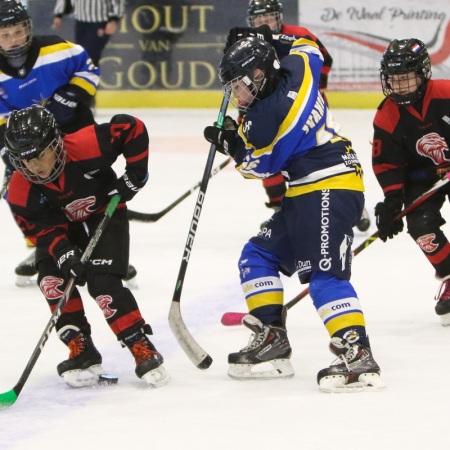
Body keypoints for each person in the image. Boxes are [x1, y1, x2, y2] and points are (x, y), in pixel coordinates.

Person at [204, 31, 385, 392]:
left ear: (259, 75)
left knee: (324, 275)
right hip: (310, 189)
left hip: (329, 185)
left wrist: (231, 143)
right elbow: (308, 46)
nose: (236, 96)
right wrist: (267, 36)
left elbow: (260, 165)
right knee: (257, 255)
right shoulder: (298, 67)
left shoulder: (268, 117)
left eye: (240, 87)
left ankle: (357, 352)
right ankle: (272, 339)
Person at [4, 104, 169, 388]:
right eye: (25, 161)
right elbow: (41, 230)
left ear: (55, 142)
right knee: (51, 281)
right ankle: (81, 348)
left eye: (40, 155)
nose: (35, 167)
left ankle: (140, 345)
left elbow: (132, 128)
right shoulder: (19, 191)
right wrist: (63, 251)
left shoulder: (84, 144)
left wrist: (135, 174)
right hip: (63, 230)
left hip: (102, 215)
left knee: (103, 283)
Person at [0, 0, 137, 288]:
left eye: (17, 31)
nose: (13, 40)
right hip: (32, 150)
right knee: (21, 196)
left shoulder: (57, 49)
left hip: (75, 137)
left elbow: (88, 67)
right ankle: (45, 248)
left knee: (91, 190)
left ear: (28, 28)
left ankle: (105, 248)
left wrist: (72, 95)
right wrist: (8, 149)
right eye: (4, 34)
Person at [244, 0, 371, 232]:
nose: (264, 23)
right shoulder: (249, 46)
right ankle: (282, 211)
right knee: (269, 156)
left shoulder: (298, 35)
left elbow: (325, 59)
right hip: (273, 110)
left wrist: (314, 86)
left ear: (279, 18)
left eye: (269, 18)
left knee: (325, 150)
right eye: (259, 20)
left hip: (307, 105)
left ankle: (351, 200)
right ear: (251, 22)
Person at [372, 38, 450, 326]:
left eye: (406, 78)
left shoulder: (446, 93)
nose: (400, 86)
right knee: (420, 226)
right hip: (423, 176)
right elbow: (388, 164)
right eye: (394, 79)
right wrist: (392, 201)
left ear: (422, 73)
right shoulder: (386, 114)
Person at [52, 0, 124, 68]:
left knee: (90, 57)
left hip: (100, 21)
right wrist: (59, 15)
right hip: (80, 21)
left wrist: (114, 19)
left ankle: (88, 79)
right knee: (81, 56)